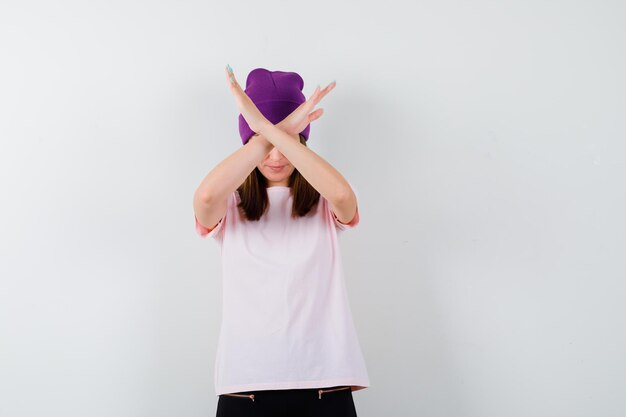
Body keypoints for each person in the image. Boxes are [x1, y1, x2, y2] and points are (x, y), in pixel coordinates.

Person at [193, 66, 370, 417]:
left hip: (325, 383)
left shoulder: (322, 201)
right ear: (250, 142)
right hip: (246, 388)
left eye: (287, 143)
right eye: (264, 145)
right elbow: (206, 196)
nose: (275, 156)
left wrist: (270, 128)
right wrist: (274, 130)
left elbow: (343, 195)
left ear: (302, 141)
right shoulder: (230, 206)